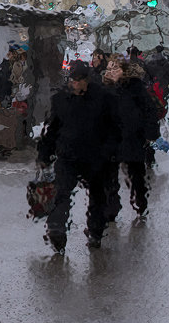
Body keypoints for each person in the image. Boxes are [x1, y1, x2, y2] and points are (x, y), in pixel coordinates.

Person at [37, 60, 121, 253]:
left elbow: (115, 128)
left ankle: (95, 231)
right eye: (73, 80)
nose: (76, 84)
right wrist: (45, 153)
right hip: (68, 156)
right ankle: (57, 229)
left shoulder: (104, 98)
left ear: (87, 80)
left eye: (80, 80)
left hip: (96, 158)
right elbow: (52, 128)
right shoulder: (61, 99)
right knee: (61, 193)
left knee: (97, 197)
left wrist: (110, 153)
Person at [102, 57, 160, 222]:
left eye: (116, 69)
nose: (111, 72)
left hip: (132, 137)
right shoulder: (104, 89)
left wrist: (150, 134)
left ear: (124, 70)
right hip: (110, 139)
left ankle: (140, 202)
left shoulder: (135, 87)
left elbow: (149, 110)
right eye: (109, 69)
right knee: (109, 176)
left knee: (136, 174)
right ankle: (111, 208)